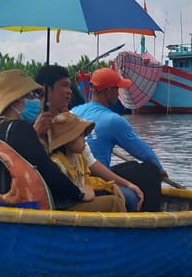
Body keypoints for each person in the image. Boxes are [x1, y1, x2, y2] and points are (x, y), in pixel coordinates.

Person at [0, 69, 118, 212]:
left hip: (13, 199)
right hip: (40, 204)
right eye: (30, 95)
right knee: (113, 202)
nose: (36, 100)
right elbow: (47, 170)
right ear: (15, 99)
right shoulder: (20, 128)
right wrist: (78, 193)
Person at [34, 64, 144, 211]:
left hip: (82, 183)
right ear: (47, 89)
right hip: (64, 196)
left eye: (69, 86)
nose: (69, 91)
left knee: (139, 172)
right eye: (64, 86)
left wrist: (119, 184)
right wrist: (35, 133)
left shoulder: (70, 119)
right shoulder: (35, 123)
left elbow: (90, 162)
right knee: (129, 198)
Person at [71, 67, 167, 211]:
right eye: (117, 89)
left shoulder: (74, 111)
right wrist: (160, 170)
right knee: (150, 170)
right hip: (94, 178)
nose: (119, 93)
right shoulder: (113, 120)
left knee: (133, 165)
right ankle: (151, 219)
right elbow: (144, 153)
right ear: (108, 91)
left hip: (80, 175)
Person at [48, 112, 126, 212]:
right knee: (114, 203)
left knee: (113, 195)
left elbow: (87, 180)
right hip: (68, 205)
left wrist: (109, 185)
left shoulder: (80, 158)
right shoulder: (57, 162)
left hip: (81, 199)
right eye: (80, 136)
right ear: (68, 140)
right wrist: (83, 192)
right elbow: (63, 191)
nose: (84, 140)